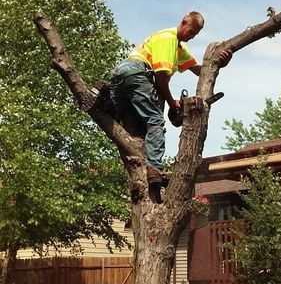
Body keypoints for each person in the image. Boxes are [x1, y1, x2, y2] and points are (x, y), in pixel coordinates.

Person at [82, 11, 232, 185]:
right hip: (137, 72)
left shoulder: (179, 49)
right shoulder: (168, 38)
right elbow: (161, 76)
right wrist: (171, 103)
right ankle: (155, 169)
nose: (192, 37)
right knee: (155, 121)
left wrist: (221, 63)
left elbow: (201, 71)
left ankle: (103, 99)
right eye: (191, 31)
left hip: (121, 74)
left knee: (121, 116)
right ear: (183, 22)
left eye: (195, 34)